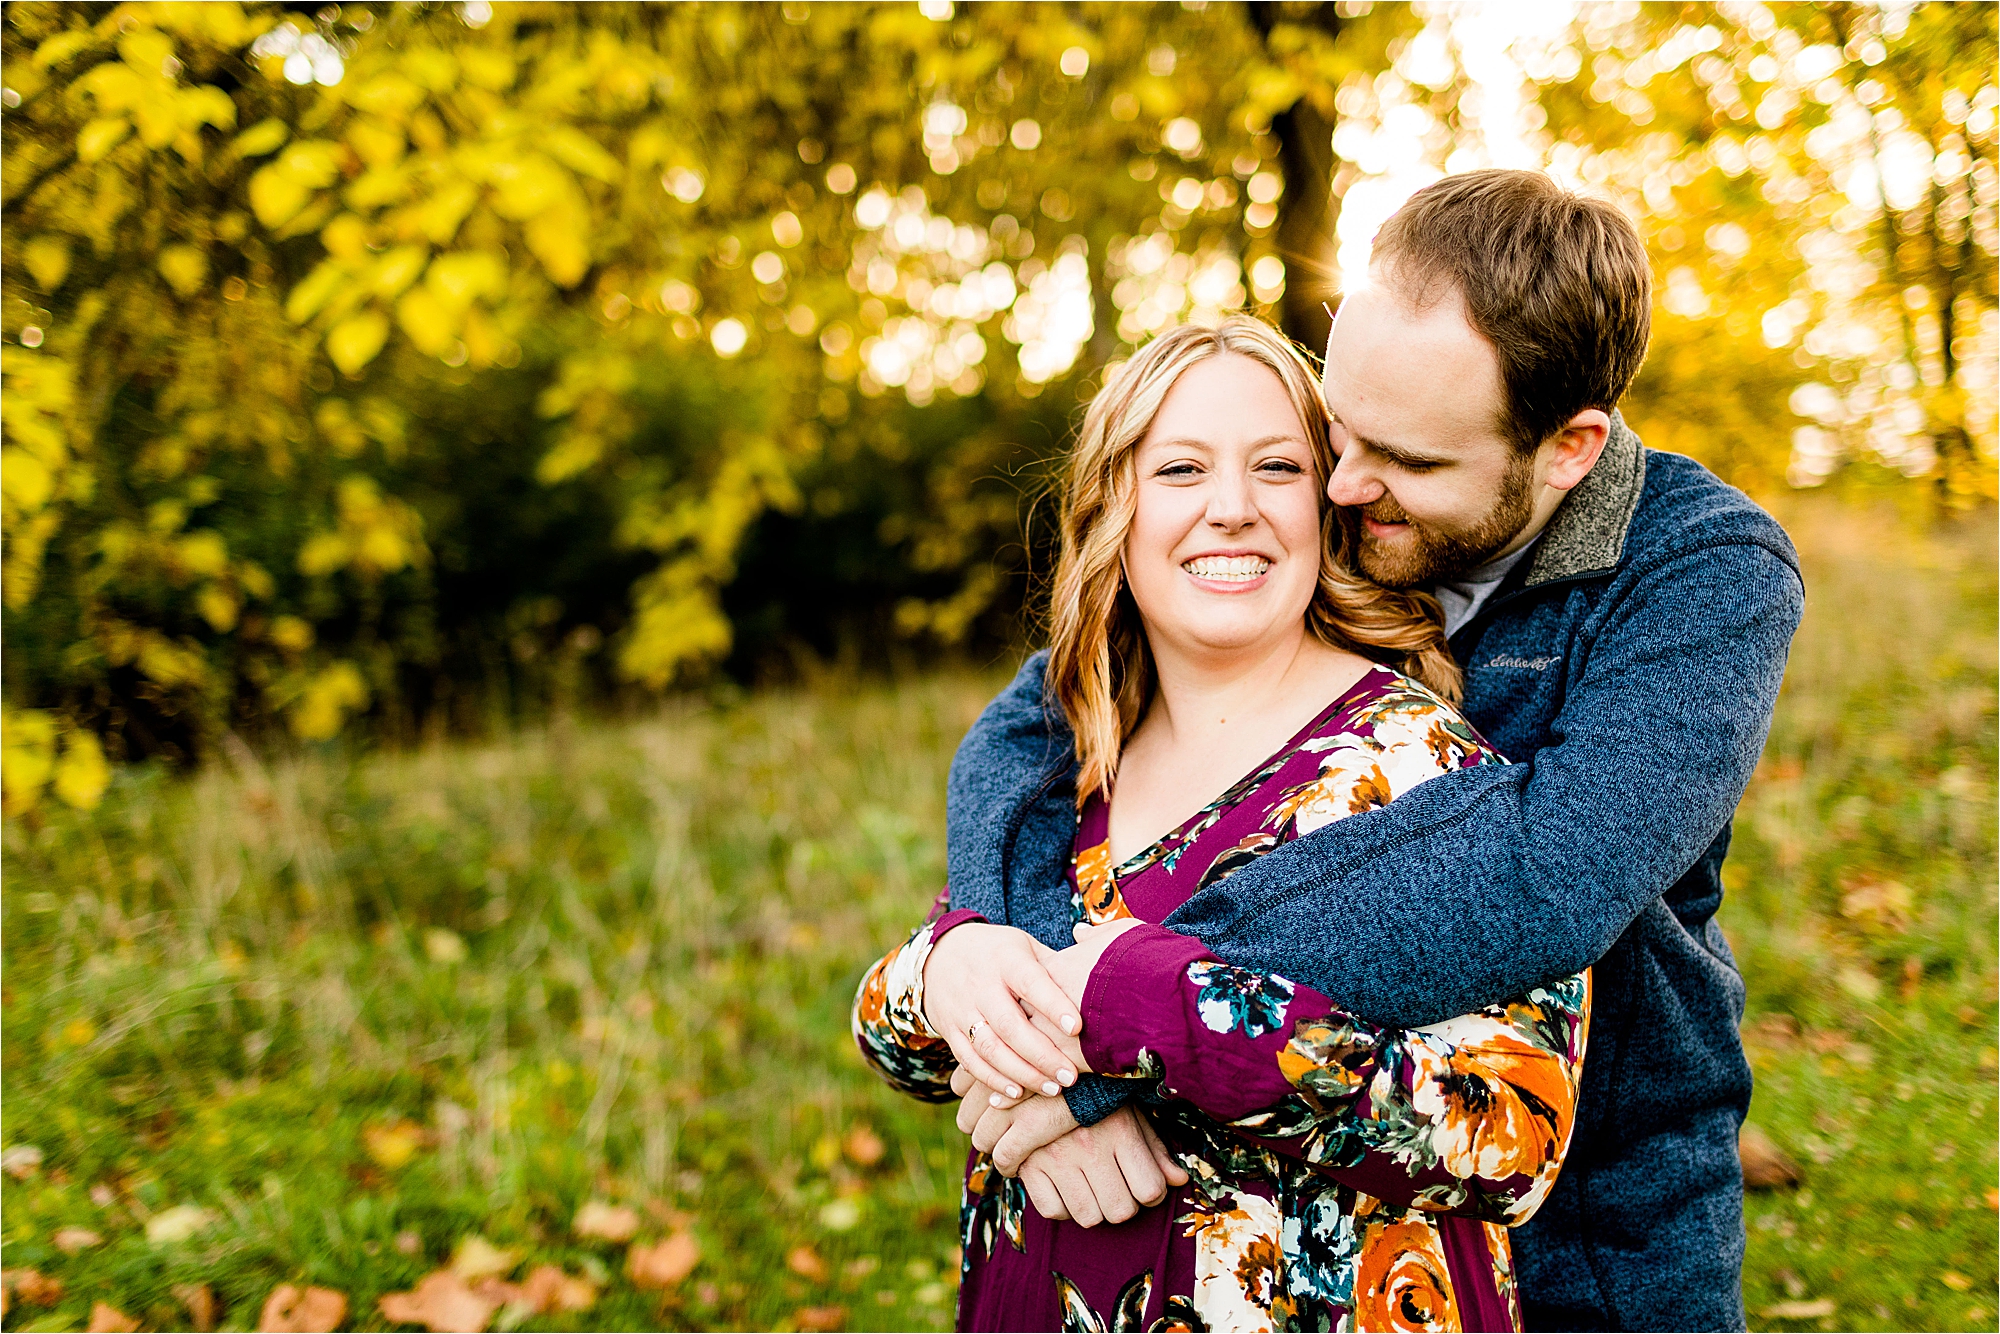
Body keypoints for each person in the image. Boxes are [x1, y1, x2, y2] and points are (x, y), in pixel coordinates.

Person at [934, 170, 1805, 1331]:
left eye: (1399, 459)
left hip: (1593, 1210)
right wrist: (987, 961)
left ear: (1566, 449)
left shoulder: (1701, 574)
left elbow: (1543, 872)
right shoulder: (1350, 464)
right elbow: (1037, 725)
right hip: (1251, 1188)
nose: (1341, 485)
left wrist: (1112, 1006)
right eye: (1337, 431)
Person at [853, 316, 1591, 1332]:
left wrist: (1139, 1032)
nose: (1231, 509)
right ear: (1116, 502)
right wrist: (944, 971)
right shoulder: (1061, 760)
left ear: (1327, 503)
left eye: (1276, 466)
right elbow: (894, 1033)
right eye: (1182, 468)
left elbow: (1511, 1133)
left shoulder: (1422, 766)